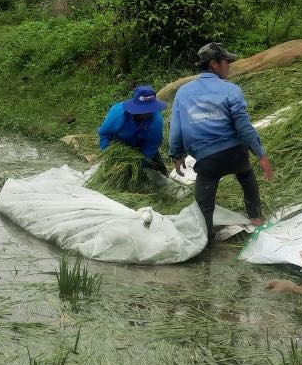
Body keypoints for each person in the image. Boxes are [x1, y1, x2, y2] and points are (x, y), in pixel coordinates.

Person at [169, 42, 275, 232]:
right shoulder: (230, 89)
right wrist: (260, 154)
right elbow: (243, 127)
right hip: (235, 154)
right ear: (214, 64)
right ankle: (256, 218)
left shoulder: (183, 92)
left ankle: (206, 236)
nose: (229, 66)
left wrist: (177, 154)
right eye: (227, 61)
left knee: (205, 202)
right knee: (246, 176)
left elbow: (176, 128)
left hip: (207, 159)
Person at [97, 84, 167, 173]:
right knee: (111, 172)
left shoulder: (155, 119)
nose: (149, 112)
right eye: (146, 109)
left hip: (142, 147)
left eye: (151, 109)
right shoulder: (118, 113)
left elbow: (152, 144)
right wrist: (107, 153)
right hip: (119, 145)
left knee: (160, 172)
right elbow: (104, 134)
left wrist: (141, 163)